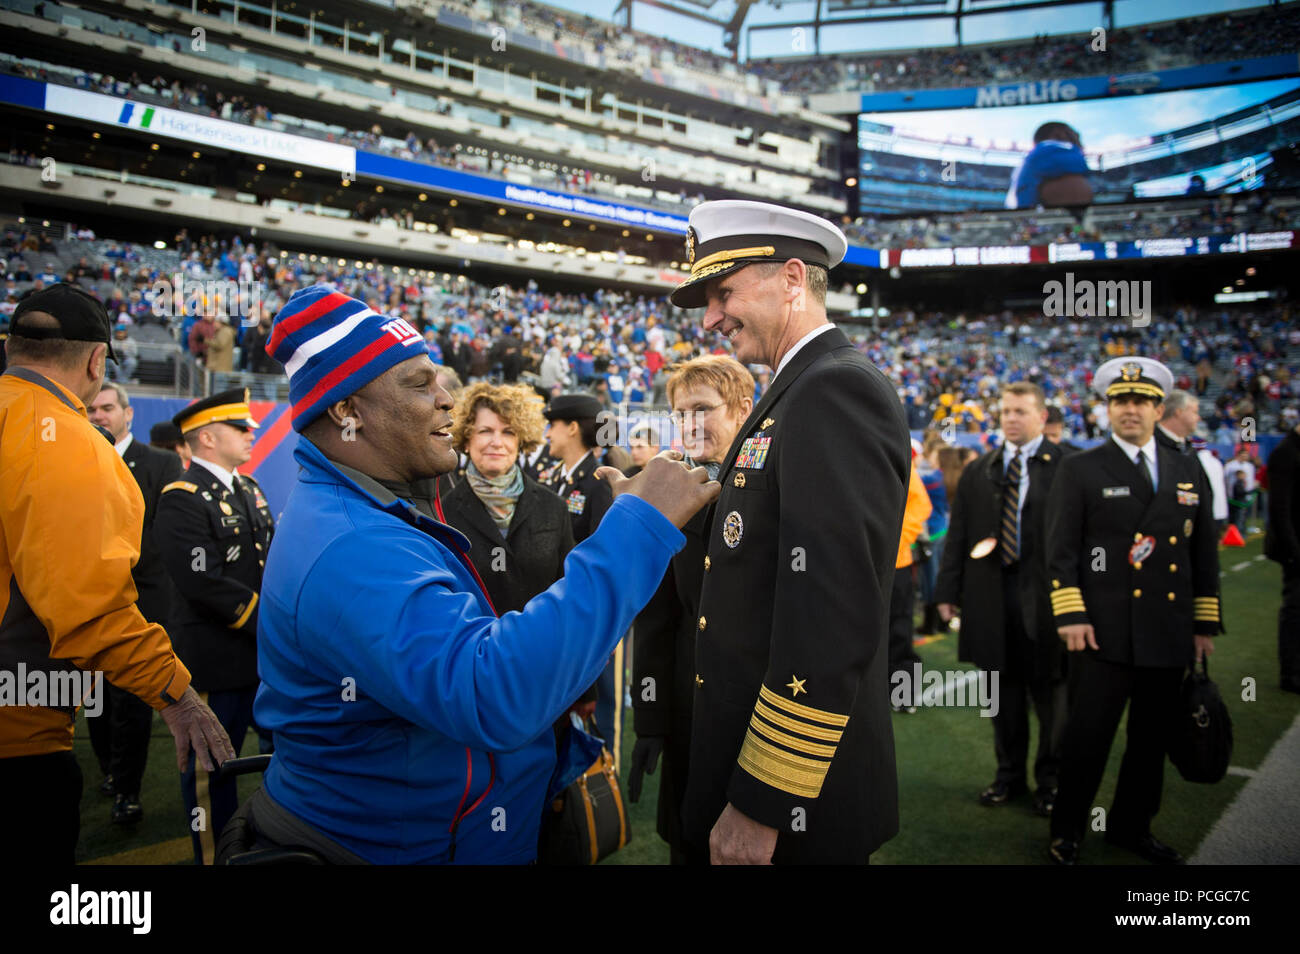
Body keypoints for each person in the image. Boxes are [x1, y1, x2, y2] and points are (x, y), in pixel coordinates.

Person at [248, 285, 718, 863]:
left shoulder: (375, 508)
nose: (448, 398)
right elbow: (491, 690)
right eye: (421, 383)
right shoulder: (352, 544)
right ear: (347, 410)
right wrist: (639, 528)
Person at [670, 200, 910, 864]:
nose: (711, 317)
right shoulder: (794, 388)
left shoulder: (833, 389)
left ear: (794, 279)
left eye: (723, 293)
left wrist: (766, 800)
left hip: (795, 797)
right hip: (744, 754)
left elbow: (831, 613)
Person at [0, 283, 233, 864]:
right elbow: (88, 609)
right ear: (96, 362)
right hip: (16, 738)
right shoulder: (65, 439)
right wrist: (178, 695)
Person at [1045, 357, 1221, 865]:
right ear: (1107, 409)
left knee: (1150, 744)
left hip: (1167, 632)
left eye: (1141, 401)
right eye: (1120, 401)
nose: (1130, 409)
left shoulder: (1188, 466)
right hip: (1102, 634)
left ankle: (1131, 827)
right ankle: (1068, 830)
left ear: (1158, 408)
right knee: (1087, 740)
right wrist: (1071, 615)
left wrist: (1204, 621)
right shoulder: (1080, 468)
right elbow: (1061, 551)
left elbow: (1203, 550)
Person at [630, 355, 753, 863]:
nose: (689, 425)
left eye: (702, 408)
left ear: (745, 409)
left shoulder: (780, 484)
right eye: (680, 414)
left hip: (758, 714)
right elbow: (658, 620)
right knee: (692, 843)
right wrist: (651, 719)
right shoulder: (669, 491)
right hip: (688, 706)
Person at [154, 387, 276, 865]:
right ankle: (213, 859)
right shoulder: (182, 498)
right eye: (241, 428)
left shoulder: (248, 487)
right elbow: (201, 582)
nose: (251, 434)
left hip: (260, 660)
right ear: (207, 438)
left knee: (278, 759)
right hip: (213, 662)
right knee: (212, 774)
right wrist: (271, 621)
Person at [936, 382, 1067, 816]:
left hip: (1048, 604)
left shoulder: (1067, 466)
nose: (1011, 418)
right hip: (991, 598)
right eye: (1006, 411)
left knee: (1052, 700)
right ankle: (1008, 775)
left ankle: (1051, 784)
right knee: (1001, 697)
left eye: (1021, 411)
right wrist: (947, 592)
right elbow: (958, 534)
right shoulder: (980, 469)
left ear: (1042, 417)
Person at [85, 382, 184, 824]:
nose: (98, 414)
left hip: (142, 597)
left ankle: (128, 789)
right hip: (85, 600)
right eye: (91, 408)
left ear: (129, 414)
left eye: (107, 407)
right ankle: (109, 770)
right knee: (94, 697)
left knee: (132, 698)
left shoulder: (161, 462)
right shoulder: (73, 458)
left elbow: (161, 532)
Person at [439, 381, 575, 616]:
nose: (497, 442)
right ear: (467, 439)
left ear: (520, 441)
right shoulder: (444, 513)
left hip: (540, 646)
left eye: (508, 432)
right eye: (485, 431)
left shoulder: (554, 507)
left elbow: (568, 590)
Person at [543, 393, 621, 758]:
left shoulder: (597, 482)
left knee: (599, 709)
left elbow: (604, 554)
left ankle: (604, 798)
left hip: (592, 615)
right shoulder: (560, 478)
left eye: (552, 425)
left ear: (572, 428)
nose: (547, 434)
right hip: (564, 610)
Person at [888, 456, 932, 710]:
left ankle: (902, 695)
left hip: (896, 563)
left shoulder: (895, 453)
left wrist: (898, 539)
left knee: (899, 629)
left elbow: (920, 504)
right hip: (856, 564)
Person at [1264, 418, 1300, 693]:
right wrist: (1293, 552)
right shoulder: (1286, 453)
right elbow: (1280, 509)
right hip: (1295, 547)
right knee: (1295, 610)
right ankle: (1291, 674)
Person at [1005, 122, 1093, 210]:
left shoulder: (1030, 160)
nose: (1078, 137)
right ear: (1059, 132)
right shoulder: (1053, 148)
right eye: (1075, 133)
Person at [1224, 448, 1258, 534]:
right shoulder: (1230, 465)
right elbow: (1226, 479)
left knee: (1243, 515)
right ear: (1238, 455)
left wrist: (1250, 492)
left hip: (1245, 494)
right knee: (1233, 515)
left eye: (1246, 455)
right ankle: (1232, 531)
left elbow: (1250, 479)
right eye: (1243, 455)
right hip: (1233, 494)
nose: (1245, 457)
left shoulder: (1250, 466)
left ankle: (1240, 531)